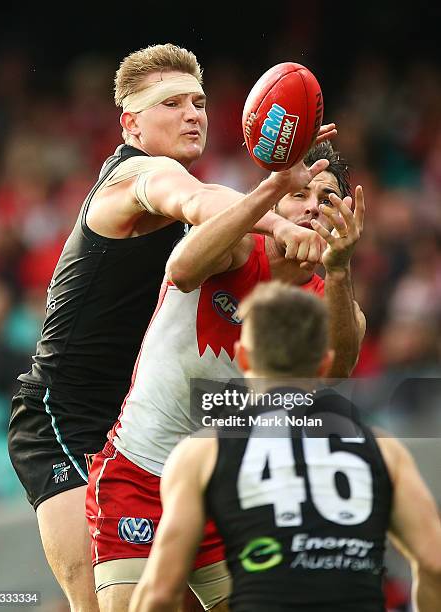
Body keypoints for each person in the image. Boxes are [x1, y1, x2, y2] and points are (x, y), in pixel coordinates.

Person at [7, 42, 336, 611]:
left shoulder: (204, 186)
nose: (193, 114)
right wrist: (280, 214)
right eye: (172, 103)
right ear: (131, 123)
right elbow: (195, 199)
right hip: (67, 417)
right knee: (98, 603)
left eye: (200, 102)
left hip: (143, 425)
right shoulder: (141, 174)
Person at [85, 140, 365, 611]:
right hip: (138, 474)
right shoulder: (235, 245)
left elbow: (336, 370)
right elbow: (182, 267)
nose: (313, 207)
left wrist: (338, 271)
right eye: (300, 194)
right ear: (275, 202)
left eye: (327, 198)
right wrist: (270, 189)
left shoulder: (331, 301)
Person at [130, 282, 441, 612]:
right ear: (325, 364)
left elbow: (160, 594)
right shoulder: (384, 449)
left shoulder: (203, 452)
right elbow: (434, 563)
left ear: (244, 358)